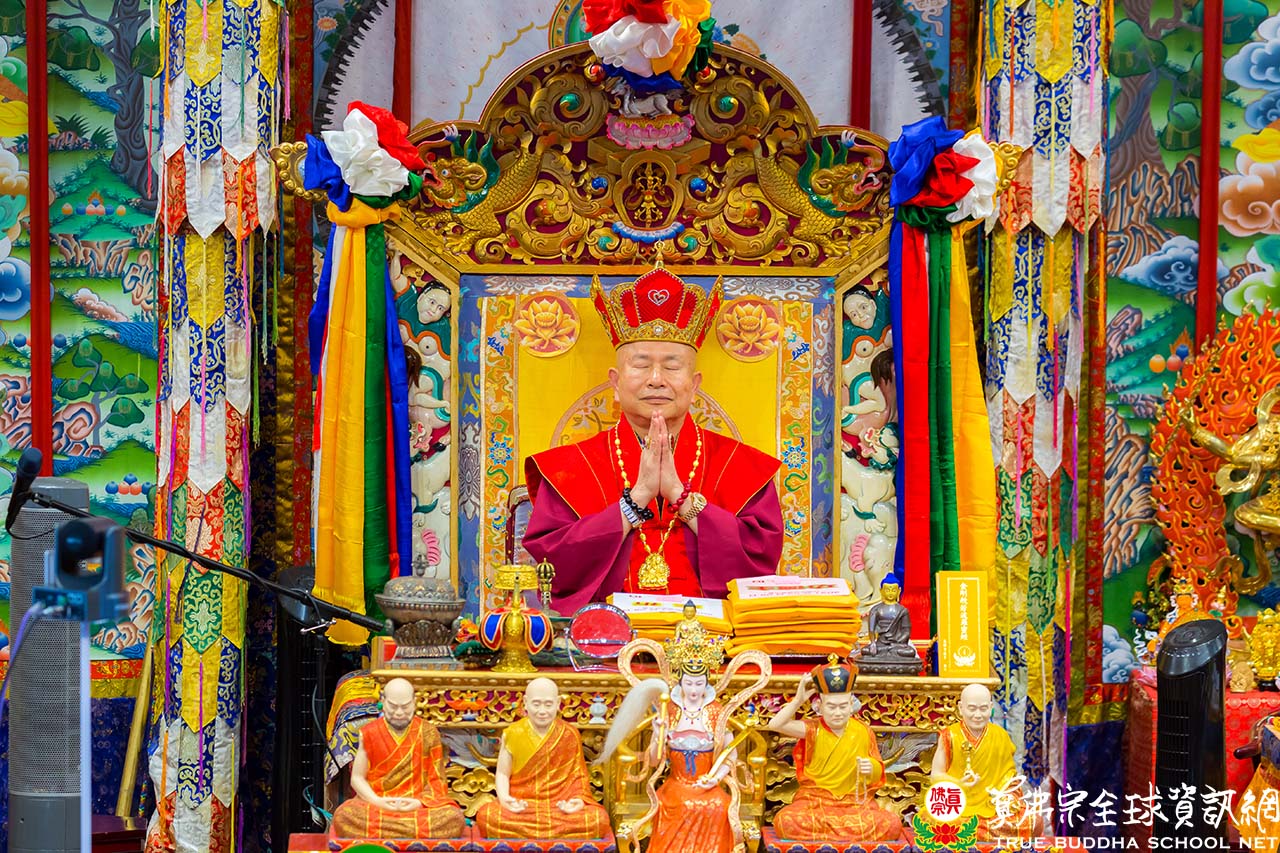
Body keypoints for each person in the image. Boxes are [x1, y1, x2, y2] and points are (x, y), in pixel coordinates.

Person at [523, 264, 784, 613]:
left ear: (694, 384)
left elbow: (761, 561)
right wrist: (635, 501)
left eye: (672, 366)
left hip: (713, 636)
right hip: (602, 634)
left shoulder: (743, 467)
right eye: (641, 365)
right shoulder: (568, 468)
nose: (657, 379)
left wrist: (680, 496)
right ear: (615, 383)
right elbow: (552, 566)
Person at [598, 617, 770, 853]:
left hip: (707, 783)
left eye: (699, 684)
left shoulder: (714, 711)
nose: (694, 690)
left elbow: (729, 753)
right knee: (679, 804)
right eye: (689, 683)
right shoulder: (670, 709)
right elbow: (655, 760)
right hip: (677, 783)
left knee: (719, 805)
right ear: (680, 682)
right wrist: (657, 734)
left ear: (707, 683)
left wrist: (716, 778)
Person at [768, 656, 905, 840]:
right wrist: (798, 700)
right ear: (820, 706)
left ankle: (830, 835)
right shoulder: (813, 729)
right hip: (816, 801)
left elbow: (877, 769)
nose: (838, 713)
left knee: (892, 823)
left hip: (853, 803)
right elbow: (775, 725)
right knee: (785, 821)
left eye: (843, 706)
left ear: (851, 706)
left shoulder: (862, 731)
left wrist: (871, 767)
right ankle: (848, 835)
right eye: (831, 707)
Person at [475, 677, 611, 839]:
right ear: (525, 702)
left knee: (599, 819)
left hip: (559, 807)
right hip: (523, 806)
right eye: (536, 704)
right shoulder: (513, 733)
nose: (542, 711)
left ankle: (530, 834)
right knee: (486, 815)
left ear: (558, 703)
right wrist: (505, 799)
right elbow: (503, 773)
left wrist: (577, 801)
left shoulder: (569, 734)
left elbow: (578, 778)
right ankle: (557, 834)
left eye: (548, 704)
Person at [330, 678, 465, 839]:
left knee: (453, 818)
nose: (399, 713)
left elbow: (437, 780)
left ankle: (388, 832)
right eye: (393, 706)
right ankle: (410, 832)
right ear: (383, 701)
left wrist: (419, 803)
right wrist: (376, 800)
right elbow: (357, 778)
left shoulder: (428, 732)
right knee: (344, 817)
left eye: (405, 706)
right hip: (378, 804)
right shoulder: (369, 733)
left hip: (415, 806)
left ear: (414, 703)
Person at [931, 683, 1043, 840]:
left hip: (993, 807)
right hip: (958, 804)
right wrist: (958, 783)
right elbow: (935, 776)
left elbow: (1009, 779)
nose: (978, 715)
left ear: (991, 708)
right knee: (938, 819)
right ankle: (975, 830)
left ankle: (972, 832)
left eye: (983, 709)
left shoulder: (1000, 736)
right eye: (972, 709)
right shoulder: (950, 736)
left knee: (1033, 822)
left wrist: (1007, 798)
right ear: (961, 708)